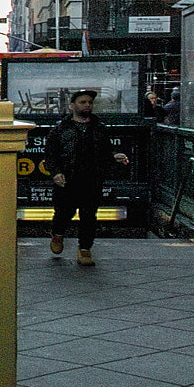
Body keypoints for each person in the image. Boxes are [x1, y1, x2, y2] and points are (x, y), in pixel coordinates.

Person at [45, 88, 129, 266]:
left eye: (90, 102)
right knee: (63, 213)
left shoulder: (99, 129)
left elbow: (105, 152)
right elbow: (50, 156)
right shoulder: (59, 130)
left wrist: (114, 157)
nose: (87, 105)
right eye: (83, 102)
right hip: (68, 179)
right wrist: (56, 173)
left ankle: (85, 249)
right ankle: (57, 234)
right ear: (72, 106)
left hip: (91, 179)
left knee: (89, 216)